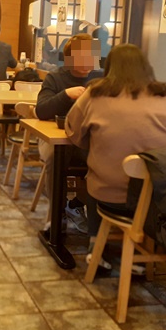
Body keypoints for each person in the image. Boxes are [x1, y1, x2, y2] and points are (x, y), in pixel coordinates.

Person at [65, 43, 166, 270]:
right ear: (147, 67)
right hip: (162, 201)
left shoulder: (95, 94)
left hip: (111, 196)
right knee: (139, 188)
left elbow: (74, 133)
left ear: (109, 68)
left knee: (94, 176)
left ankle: (96, 247)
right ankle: (138, 255)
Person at [34, 33, 102, 234]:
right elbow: (41, 111)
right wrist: (65, 95)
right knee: (55, 157)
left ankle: (82, 208)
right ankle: (56, 215)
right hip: (56, 140)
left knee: (110, 160)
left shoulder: (101, 78)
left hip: (89, 140)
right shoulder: (55, 78)